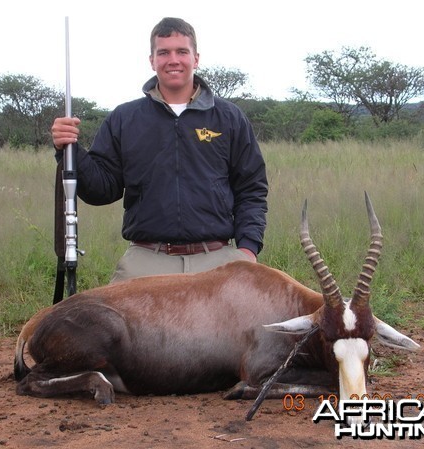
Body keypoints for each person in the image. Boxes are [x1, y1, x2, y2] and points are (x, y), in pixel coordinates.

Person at [51, 17, 268, 283]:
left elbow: (252, 187)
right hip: (146, 258)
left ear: (196, 58)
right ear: (152, 60)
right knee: (107, 322)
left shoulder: (229, 117)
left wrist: (247, 249)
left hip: (218, 257)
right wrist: (69, 149)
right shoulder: (124, 118)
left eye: (181, 52)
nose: (173, 60)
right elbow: (101, 190)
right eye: (163, 52)